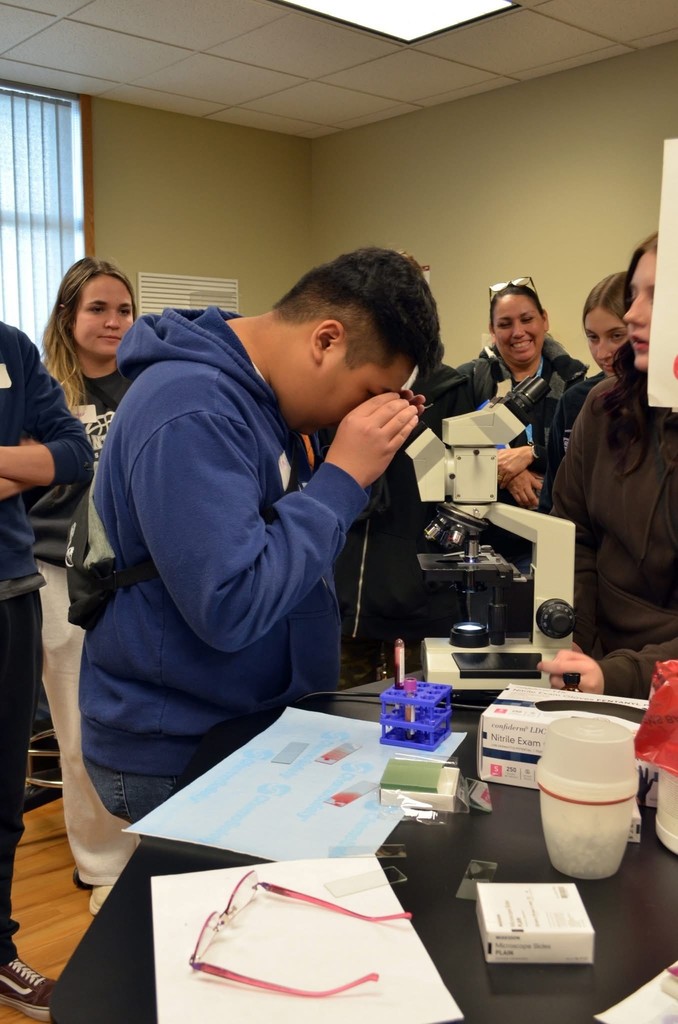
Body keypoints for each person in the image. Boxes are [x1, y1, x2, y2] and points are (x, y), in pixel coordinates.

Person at [79, 247, 442, 821]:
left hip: (249, 722)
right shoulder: (193, 410)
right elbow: (231, 602)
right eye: (369, 393)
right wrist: (343, 475)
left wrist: (362, 454)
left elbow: (286, 527)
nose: (361, 414)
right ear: (326, 340)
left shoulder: (266, 399)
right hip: (181, 746)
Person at [27, 257, 139, 917]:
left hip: (133, 580)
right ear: (69, 317)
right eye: (98, 309)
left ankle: (150, 844)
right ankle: (100, 861)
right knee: (77, 726)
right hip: (59, 578)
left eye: (123, 309)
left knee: (137, 720)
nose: (113, 322)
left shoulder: (149, 386)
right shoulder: (43, 396)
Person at [0, 320, 93, 1021]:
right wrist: (20, 462)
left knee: (4, 802)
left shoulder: (9, 348)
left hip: (9, 593)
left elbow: (71, 454)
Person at [540, 232, 678, 698]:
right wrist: (573, 641)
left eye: (656, 296)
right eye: (634, 294)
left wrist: (623, 675)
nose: (634, 312)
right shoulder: (602, 407)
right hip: (595, 665)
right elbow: (573, 534)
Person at [323, 355, 477, 687]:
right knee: (344, 706)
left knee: (418, 707)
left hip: (416, 590)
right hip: (345, 589)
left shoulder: (450, 390)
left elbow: (464, 481)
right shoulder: (339, 388)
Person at [456, 278, 587, 566]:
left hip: (556, 534)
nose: (518, 332)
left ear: (544, 320)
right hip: (486, 539)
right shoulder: (469, 381)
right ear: (492, 331)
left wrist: (532, 454)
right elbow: (453, 455)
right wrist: (507, 470)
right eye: (504, 324)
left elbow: (582, 456)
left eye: (527, 319)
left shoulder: (575, 385)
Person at [539, 272, 627, 512]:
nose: (602, 353)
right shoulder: (575, 400)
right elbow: (552, 497)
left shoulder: (664, 401)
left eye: (616, 336)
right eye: (593, 338)